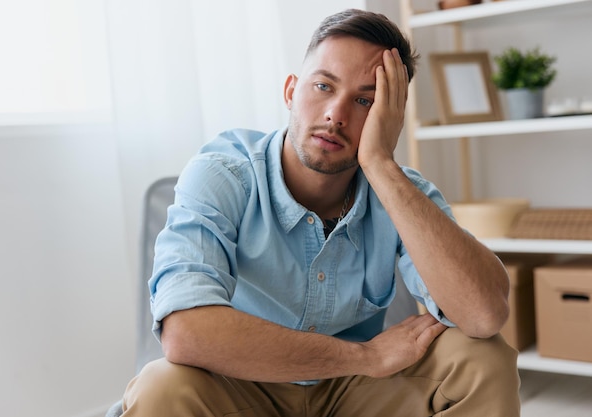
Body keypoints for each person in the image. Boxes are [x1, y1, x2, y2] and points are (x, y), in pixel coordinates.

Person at [120, 8, 520, 417]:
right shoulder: (223, 174)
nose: (336, 115)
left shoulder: (404, 192)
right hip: (239, 385)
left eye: (365, 100)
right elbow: (186, 333)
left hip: (355, 395)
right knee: (161, 386)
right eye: (324, 86)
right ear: (292, 90)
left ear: (390, 117)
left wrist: (381, 164)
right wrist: (365, 357)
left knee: (482, 359)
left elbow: (484, 315)